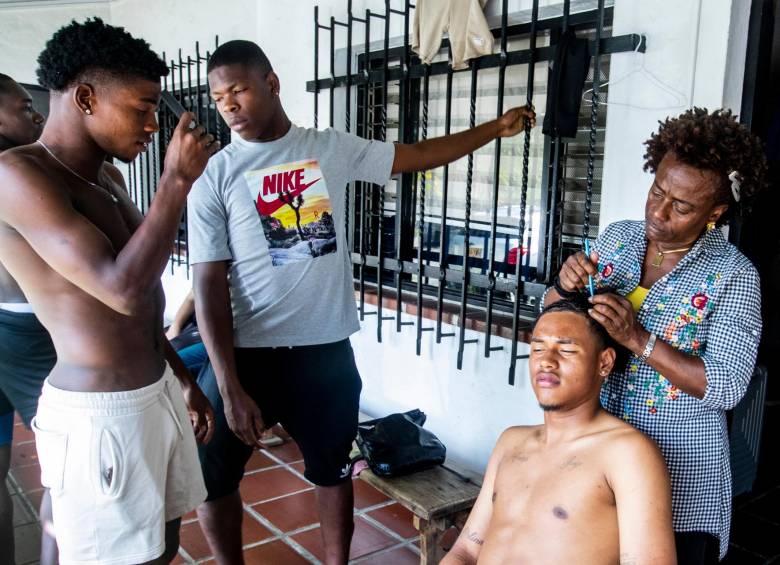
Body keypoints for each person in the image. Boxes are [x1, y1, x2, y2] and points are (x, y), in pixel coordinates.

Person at [188, 39, 536, 565]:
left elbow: (415, 157)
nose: (229, 105)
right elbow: (208, 283)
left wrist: (493, 130)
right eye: (218, 98)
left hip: (324, 352)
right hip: (246, 353)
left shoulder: (327, 147)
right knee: (214, 478)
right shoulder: (215, 176)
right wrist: (229, 384)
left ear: (271, 82)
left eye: (238, 89)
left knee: (333, 470)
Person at [0, 19, 219, 565]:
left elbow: (142, 307)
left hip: (153, 392)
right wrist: (174, 182)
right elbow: (118, 290)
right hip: (100, 412)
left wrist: (183, 377)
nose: (151, 126)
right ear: (86, 97)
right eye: (142, 109)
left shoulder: (108, 179)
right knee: (100, 553)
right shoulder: (18, 175)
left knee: (160, 545)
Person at [545, 108, 767, 564]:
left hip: (680, 472)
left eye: (681, 206)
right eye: (657, 192)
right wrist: (563, 285)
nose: (658, 212)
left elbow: (725, 385)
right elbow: (552, 316)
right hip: (594, 460)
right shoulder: (617, 240)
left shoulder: (734, 276)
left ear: (716, 212)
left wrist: (637, 338)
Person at [442, 297, 676, 564]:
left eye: (566, 350)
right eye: (538, 349)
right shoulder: (511, 441)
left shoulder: (627, 454)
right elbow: (466, 550)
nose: (546, 361)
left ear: (604, 363)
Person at [0, 72, 55, 565]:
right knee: (67, 463)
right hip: (27, 328)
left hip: (15, 324)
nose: (36, 113)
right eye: (23, 106)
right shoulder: (18, 171)